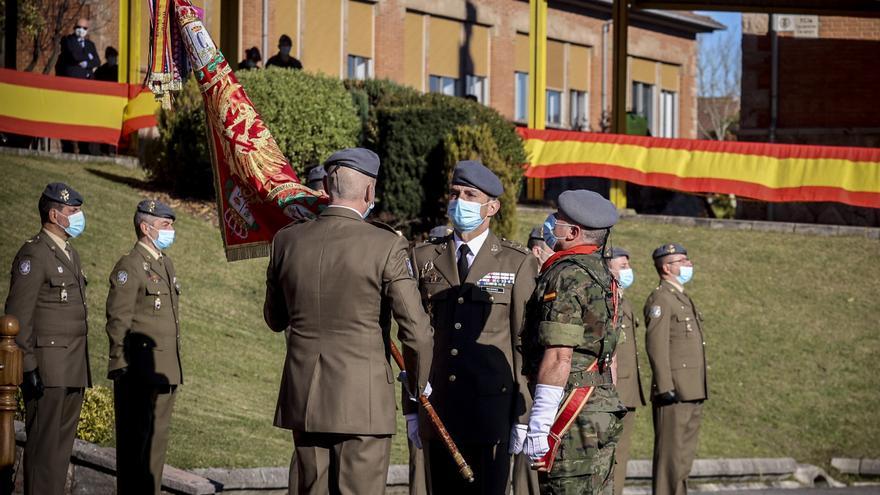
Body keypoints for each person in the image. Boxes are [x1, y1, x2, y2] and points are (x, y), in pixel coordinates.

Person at [264, 147, 433, 495]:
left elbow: (274, 318)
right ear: (369, 192)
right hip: (363, 402)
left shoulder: (287, 240)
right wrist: (416, 387)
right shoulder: (386, 246)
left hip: (305, 397)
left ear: (326, 185)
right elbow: (416, 332)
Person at [409, 160, 538, 495]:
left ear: (491, 206)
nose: (459, 200)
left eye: (470, 194)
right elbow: (414, 335)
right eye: (455, 193)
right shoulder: (424, 257)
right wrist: (411, 407)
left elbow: (523, 341)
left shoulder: (516, 261)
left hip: (491, 410)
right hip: (439, 409)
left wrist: (522, 415)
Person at [521, 189, 627, 494]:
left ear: (573, 232)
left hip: (572, 412)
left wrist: (541, 424)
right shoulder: (606, 276)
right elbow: (610, 354)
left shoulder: (566, 274)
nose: (551, 223)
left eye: (558, 219)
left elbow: (558, 356)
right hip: (602, 406)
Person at [5, 182, 91, 495]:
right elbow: (17, 316)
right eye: (73, 211)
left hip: (71, 367)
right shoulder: (35, 253)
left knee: (59, 453)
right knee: (43, 454)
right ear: (54, 214)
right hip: (47, 369)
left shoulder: (70, 253)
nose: (79, 216)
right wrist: (27, 367)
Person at [105, 199, 182, 495]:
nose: (170, 230)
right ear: (145, 227)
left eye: (171, 225)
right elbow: (118, 319)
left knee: (155, 453)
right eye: (165, 225)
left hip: (165, 371)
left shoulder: (165, 263)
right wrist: (120, 364)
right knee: (134, 451)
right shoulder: (130, 265)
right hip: (137, 372)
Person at [644, 243, 708, 495]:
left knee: (683, 460)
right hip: (674, 391)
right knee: (670, 459)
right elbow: (656, 345)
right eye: (682, 260)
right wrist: (665, 386)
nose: (688, 264)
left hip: (692, 390)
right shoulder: (661, 298)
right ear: (666, 267)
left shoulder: (680, 297)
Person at [606, 247, 646, 495]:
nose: (628, 271)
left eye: (628, 265)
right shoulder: (606, 298)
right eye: (622, 266)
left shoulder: (625, 300)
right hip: (611, 390)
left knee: (620, 458)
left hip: (626, 389)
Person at [55, 18, 100, 155]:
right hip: (72, 87)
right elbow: (74, 55)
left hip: (86, 89)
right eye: (79, 27)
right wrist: (88, 58)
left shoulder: (90, 44)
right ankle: (67, 148)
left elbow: (97, 61)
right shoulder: (69, 41)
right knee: (69, 117)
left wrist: (86, 62)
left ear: (88, 30)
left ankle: (84, 148)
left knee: (84, 118)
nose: (81, 30)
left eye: (85, 28)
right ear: (75, 27)